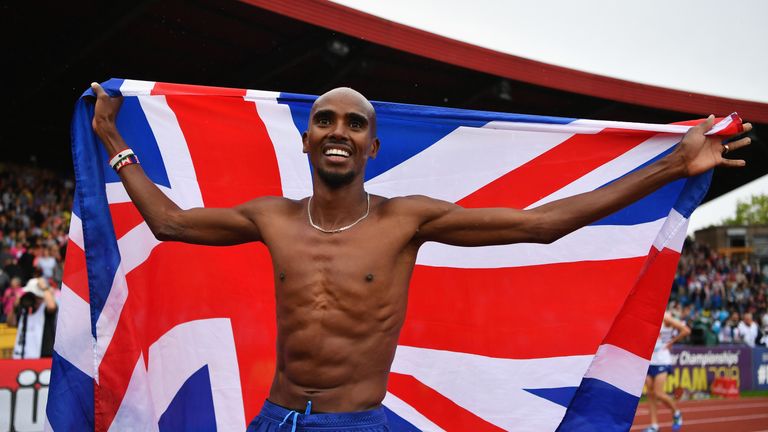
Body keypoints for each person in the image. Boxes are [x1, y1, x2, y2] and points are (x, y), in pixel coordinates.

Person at [89, 82, 752, 431]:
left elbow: (542, 224)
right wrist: (116, 140)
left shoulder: (407, 219)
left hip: (353, 426)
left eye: (354, 123)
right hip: (273, 418)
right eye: (325, 120)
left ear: (374, 147)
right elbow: (171, 221)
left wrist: (671, 165)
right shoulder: (272, 218)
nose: (338, 131)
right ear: (306, 141)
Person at [644, 312, 690, 432]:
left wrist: (671, 341)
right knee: (651, 394)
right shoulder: (647, 317)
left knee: (659, 393)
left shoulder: (666, 318)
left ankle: (676, 412)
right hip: (649, 361)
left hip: (662, 361)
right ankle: (654, 425)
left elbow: (685, 330)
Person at [7, 276, 58, 358]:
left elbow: (52, 306)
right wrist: (14, 308)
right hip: (22, 356)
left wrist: (44, 288)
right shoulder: (24, 309)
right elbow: (10, 323)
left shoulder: (45, 308)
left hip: (42, 357)